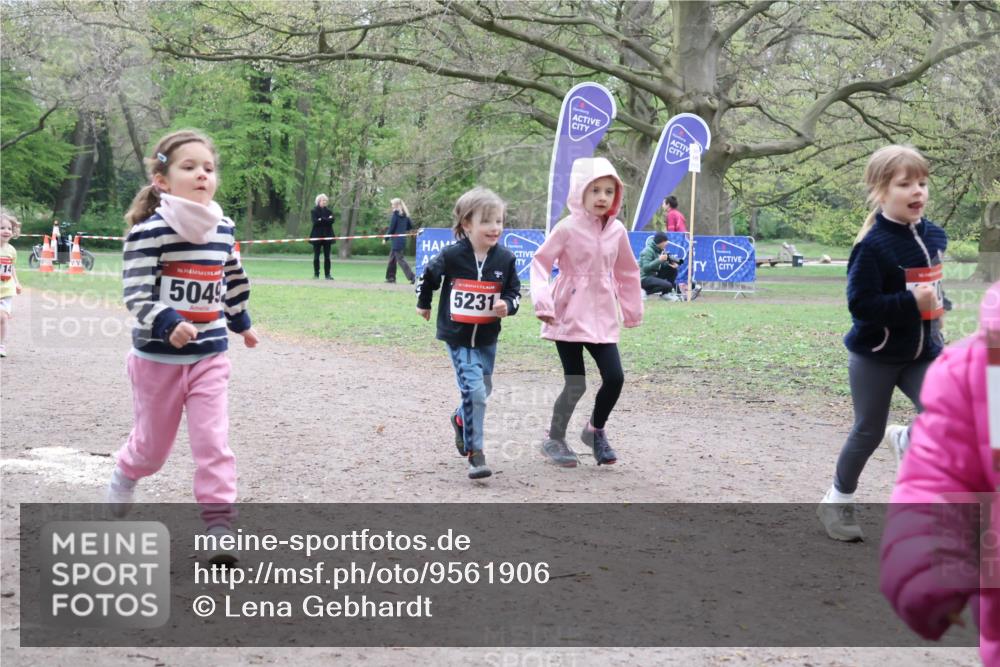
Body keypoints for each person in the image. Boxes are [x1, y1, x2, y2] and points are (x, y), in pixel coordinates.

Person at [107, 129, 259, 564]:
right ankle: (125, 472)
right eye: (189, 167)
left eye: (208, 168)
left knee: (213, 443)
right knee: (151, 451)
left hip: (209, 356)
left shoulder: (222, 228)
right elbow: (136, 293)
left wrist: (241, 322)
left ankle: (218, 528)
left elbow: (231, 278)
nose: (201, 175)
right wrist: (168, 320)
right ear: (162, 180)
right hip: (157, 360)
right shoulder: (150, 233)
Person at [817, 145, 947, 542]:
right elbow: (861, 305)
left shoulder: (932, 234)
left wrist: (938, 311)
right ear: (880, 190)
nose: (918, 191)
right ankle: (837, 501)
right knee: (868, 432)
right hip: (875, 356)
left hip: (922, 353)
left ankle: (908, 439)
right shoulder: (872, 247)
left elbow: (932, 289)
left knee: (948, 415)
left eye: (922, 183)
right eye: (905, 183)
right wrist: (911, 302)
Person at [879, 281, 999, 667]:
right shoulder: (984, 367)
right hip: (881, 353)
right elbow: (942, 481)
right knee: (867, 426)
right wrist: (929, 558)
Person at [530, 157, 643, 468]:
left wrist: (632, 310)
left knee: (615, 377)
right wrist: (543, 302)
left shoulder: (617, 230)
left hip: (603, 315)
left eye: (608, 191)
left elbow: (628, 272)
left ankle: (595, 430)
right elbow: (540, 264)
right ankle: (554, 438)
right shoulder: (566, 228)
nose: (602, 197)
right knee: (576, 382)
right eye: (595, 190)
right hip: (566, 314)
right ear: (581, 192)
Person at [415, 187, 520, 480]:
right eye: (487, 221)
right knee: (475, 392)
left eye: (499, 221)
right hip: (458, 336)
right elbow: (428, 277)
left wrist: (507, 305)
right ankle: (476, 454)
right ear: (467, 224)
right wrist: (423, 303)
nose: (495, 227)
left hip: (487, 338)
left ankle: (461, 418)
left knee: (482, 391)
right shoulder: (451, 256)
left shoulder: (506, 259)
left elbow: (515, 291)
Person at [0, 208, 24, 358]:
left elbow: (12, 267)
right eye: (2, 228)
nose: (6, 231)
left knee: (2, 318)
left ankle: (1, 345)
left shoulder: (11, 250)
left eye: (9, 228)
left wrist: (17, 283)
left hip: (6, 289)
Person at [639, 231, 682, 301]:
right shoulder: (647, 251)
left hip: (654, 276)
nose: (667, 243)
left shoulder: (660, 250)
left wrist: (670, 264)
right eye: (665, 241)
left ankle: (666, 293)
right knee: (668, 285)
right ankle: (643, 291)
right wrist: (659, 260)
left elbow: (659, 265)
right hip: (644, 278)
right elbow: (645, 268)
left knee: (672, 270)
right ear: (660, 242)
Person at [385, 198, 416, 284]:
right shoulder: (406, 215)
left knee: (400, 260)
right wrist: (401, 229)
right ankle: (391, 277)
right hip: (402, 240)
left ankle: (412, 277)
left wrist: (385, 238)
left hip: (396, 241)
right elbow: (410, 226)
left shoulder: (395, 215)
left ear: (397, 205)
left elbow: (391, 228)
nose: (391, 206)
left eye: (392, 205)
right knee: (392, 259)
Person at [310, 194, 336, 280]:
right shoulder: (314, 211)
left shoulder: (329, 211)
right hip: (317, 235)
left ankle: (327, 275)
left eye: (325, 200)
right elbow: (315, 222)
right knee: (316, 256)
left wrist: (322, 219)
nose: (324, 202)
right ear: (318, 201)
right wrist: (326, 219)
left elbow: (332, 221)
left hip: (327, 235)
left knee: (327, 257)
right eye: (322, 200)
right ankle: (316, 274)